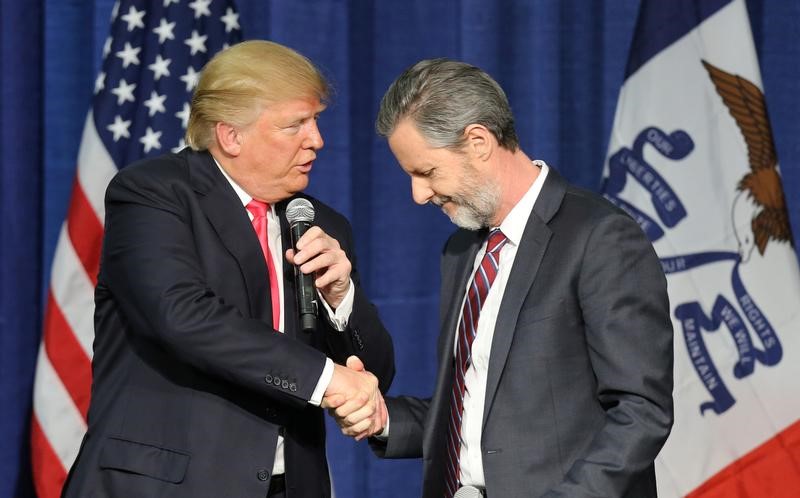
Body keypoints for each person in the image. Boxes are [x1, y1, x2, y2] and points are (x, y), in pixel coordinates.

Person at [61, 40, 394, 498]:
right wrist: (328, 378)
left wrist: (341, 298)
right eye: (295, 124)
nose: (317, 139)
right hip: (167, 484)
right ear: (231, 135)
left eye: (315, 121)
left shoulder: (321, 223)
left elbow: (373, 376)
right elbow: (182, 316)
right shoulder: (153, 194)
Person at [331, 59, 674, 497]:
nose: (418, 195)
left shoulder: (599, 237)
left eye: (426, 172)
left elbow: (641, 410)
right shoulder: (461, 250)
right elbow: (478, 409)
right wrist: (384, 420)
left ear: (478, 142)